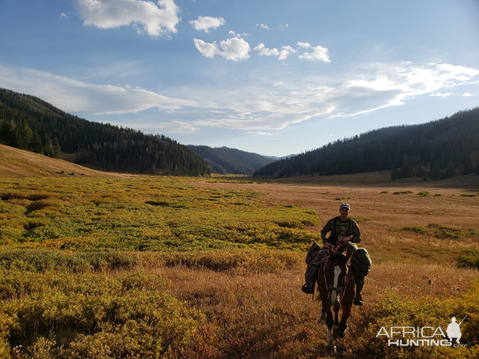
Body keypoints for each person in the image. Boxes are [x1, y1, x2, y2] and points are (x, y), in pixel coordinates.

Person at [302, 203, 365, 306]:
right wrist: (325, 241)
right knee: (315, 260)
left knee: (361, 265)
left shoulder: (353, 224)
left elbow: (358, 238)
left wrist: (350, 238)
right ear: (340, 211)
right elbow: (323, 232)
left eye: (346, 210)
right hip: (332, 246)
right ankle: (310, 284)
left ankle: (358, 294)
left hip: (346, 248)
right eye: (343, 210)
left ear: (349, 212)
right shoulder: (333, 221)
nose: (344, 212)